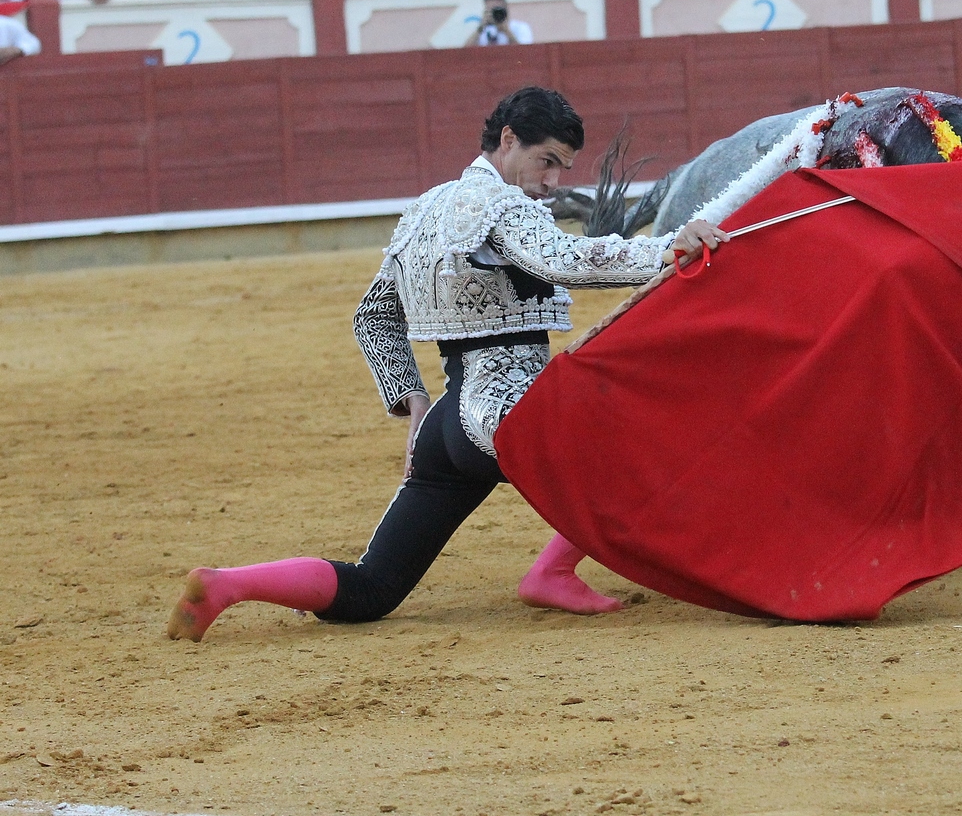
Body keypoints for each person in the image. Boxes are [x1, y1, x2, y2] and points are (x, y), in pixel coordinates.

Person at [167, 89, 729, 640]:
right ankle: (552, 571)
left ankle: (228, 585)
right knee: (656, 442)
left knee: (373, 587)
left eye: (563, 166)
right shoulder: (500, 204)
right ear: (508, 140)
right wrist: (669, 248)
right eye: (548, 161)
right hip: (507, 413)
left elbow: (373, 314)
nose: (554, 180)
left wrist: (412, 399)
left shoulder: (424, 209)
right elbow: (566, 260)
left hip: (446, 425)